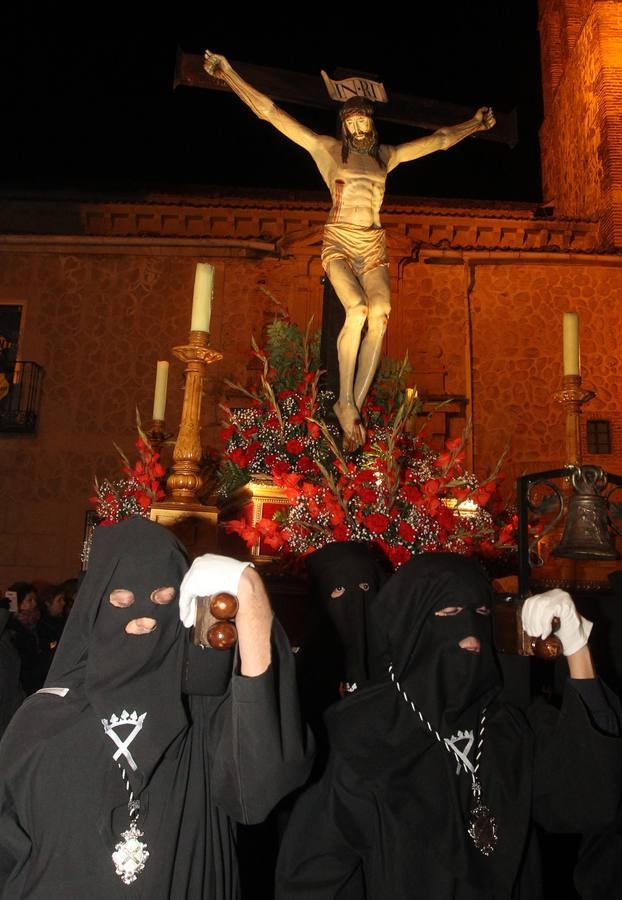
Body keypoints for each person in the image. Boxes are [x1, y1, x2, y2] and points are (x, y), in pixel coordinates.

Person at [275, 553, 622, 899]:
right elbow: (314, 877)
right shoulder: (363, 738)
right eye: (449, 613)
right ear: (410, 625)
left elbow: (587, 802)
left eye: (480, 613)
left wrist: (578, 648)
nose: (470, 635)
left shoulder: (509, 723)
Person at [0, 517, 313, 899]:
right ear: (94, 608)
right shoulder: (43, 720)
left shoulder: (208, 714)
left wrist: (251, 599)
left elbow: (260, 789)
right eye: (121, 603)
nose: (145, 621)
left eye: (164, 600)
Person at [203, 51, 494, 449]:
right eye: (351, 120)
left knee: (381, 314)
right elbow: (272, 114)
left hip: (373, 244)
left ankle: (351, 406)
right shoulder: (326, 150)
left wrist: (474, 126)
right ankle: (343, 400)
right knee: (356, 308)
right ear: (343, 124)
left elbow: (438, 141)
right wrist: (229, 75)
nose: (358, 124)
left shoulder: (384, 157)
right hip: (339, 241)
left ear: (371, 122)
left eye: (364, 119)